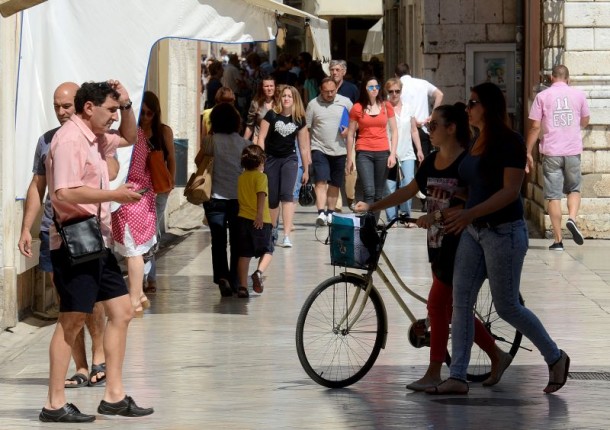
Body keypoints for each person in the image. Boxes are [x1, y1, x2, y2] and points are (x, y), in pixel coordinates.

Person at [355, 103, 511, 391]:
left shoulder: (466, 163)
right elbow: (409, 190)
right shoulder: (430, 161)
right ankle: (496, 355)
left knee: (438, 305)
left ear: (451, 128)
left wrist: (436, 216)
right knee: (449, 309)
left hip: (462, 243)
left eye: (434, 126)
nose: (430, 131)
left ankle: (434, 371)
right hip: (438, 243)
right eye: (429, 127)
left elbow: (469, 202)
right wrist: (374, 205)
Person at [426, 82, 570, 395]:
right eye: (467, 103)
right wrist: (449, 205)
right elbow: (473, 185)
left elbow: (509, 192)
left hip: (503, 233)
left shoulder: (510, 142)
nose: (468, 108)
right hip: (474, 232)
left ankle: (555, 357)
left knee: (507, 306)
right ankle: (458, 376)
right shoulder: (476, 141)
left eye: (473, 103)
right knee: (460, 301)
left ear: (488, 106)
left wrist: (470, 213)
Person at [39, 81, 153, 423]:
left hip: (97, 242)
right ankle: (54, 404)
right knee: (71, 321)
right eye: (111, 110)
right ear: (89, 108)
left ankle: (114, 396)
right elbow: (64, 193)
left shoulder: (95, 136)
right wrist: (114, 196)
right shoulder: (71, 139)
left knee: (121, 311)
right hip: (74, 244)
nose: (115, 117)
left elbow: (131, 138)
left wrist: (128, 102)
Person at [18, 82, 109, 390]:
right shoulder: (46, 141)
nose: (60, 112)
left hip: (85, 230)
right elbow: (37, 186)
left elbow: (112, 160)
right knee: (68, 303)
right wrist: (26, 229)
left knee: (93, 300)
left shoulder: (92, 138)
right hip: (53, 231)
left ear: (82, 105)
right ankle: (81, 367)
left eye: (66, 106)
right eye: (56, 106)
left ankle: (99, 357)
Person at [526, 64, 590, 251]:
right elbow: (585, 120)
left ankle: (558, 240)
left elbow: (535, 127)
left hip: (552, 151)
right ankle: (572, 218)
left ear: (552, 78)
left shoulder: (542, 96)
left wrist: (528, 151)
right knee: (574, 189)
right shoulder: (579, 95)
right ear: (568, 79)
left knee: (553, 196)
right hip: (572, 149)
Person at [197, 102, 250, 297]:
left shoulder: (210, 141)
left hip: (214, 198)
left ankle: (222, 277)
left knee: (218, 240)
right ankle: (236, 280)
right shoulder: (244, 144)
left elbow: (198, 161)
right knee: (237, 241)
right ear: (236, 122)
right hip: (238, 199)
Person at [257, 85, 311, 248]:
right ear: (280, 98)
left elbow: (303, 146)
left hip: (290, 160)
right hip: (271, 159)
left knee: (287, 195)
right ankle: (273, 229)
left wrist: (306, 169)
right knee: (272, 198)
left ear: (295, 100)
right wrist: (261, 162)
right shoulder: (271, 115)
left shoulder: (299, 120)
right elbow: (261, 138)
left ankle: (286, 234)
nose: (286, 98)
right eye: (284, 96)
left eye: (290, 96)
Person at [111, 127, 157, 316]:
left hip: (129, 197)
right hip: (143, 196)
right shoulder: (139, 133)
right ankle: (140, 295)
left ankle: (135, 301)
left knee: (133, 252)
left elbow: (120, 171)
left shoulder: (122, 136)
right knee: (133, 249)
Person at [346, 77, 397, 218]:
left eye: (377, 86)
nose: (375, 89)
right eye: (371, 87)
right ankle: (368, 225)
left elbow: (394, 131)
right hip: (364, 152)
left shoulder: (386, 106)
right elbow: (350, 134)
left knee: (379, 193)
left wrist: (392, 154)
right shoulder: (357, 108)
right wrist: (349, 158)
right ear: (365, 89)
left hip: (383, 152)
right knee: (369, 191)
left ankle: (372, 226)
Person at [140, 91, 175, 294]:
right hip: (140, 189)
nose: (145, 117)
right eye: (142, 113)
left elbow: (171, 158)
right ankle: (147, 277)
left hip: (160, 188)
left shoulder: (163, 132)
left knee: (151, 231)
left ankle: (148, 276)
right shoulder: (133, 131)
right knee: (149, 232)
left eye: (149, 113)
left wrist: (171, 183)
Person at [305, 77, 353, 226]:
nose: (330, 94)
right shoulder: (313, 105)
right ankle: (321, 213)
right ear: (321, 90)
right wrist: (307, 152)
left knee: (335, 184)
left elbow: (356, 122)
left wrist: (350, 129)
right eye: (326, 92)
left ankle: (330, 213)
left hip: (340, 149)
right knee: (320, 180)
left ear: (336, 89)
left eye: (332, 91)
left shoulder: (345, 102)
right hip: (319, 148)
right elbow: (307, 129)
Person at [383, 78, 424, 224]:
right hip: (389, 151)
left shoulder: (409, 107)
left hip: (407, 151)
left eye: (397, 91)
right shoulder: (383, 108)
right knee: (389, 186)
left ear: (401, 91)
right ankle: (391, 217)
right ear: (387, 92)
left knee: (408, 183)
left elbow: (414, 130)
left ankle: (406, 215)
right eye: (391, 91)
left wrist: (419, 149)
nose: (394, 94)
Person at [236, 145, 274, 298]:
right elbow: (260, 195)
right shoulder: (261, 177)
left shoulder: (241, 177)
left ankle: (243, 287)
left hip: (242, 218)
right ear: (260, 162)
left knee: (244, 255)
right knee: (268, 250)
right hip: (260, 221)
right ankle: (258, 273)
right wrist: (259, 215)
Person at [395, 63, 443, 158]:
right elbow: (440, 95)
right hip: (423, 129)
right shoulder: (423, 83)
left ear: (396, 75)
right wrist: (432, 115)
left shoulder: (396, 88)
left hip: (405, 132)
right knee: (423, 165)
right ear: (410, 71)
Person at [243, 77, 276, 144]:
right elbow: (250, 126)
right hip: (259, 140)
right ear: (262, 88)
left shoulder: (280, 103)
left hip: (275, 142)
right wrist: (243, 143)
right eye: (266, 86)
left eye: (271, 86)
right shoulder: (256, 103)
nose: (269, 89)